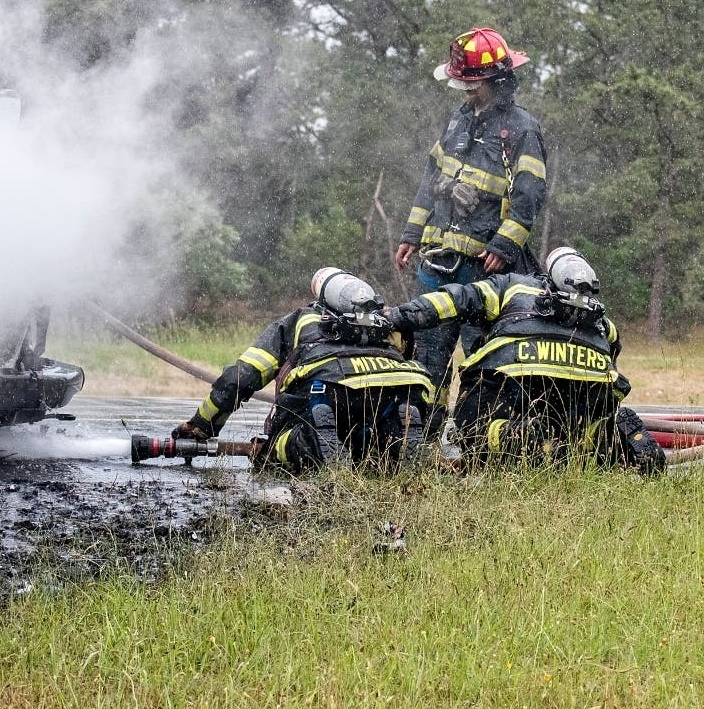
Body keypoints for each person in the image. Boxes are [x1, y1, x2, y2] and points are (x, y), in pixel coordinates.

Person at [385, 247, 664, 473]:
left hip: (515, 384)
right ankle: (610, 439)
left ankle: (509, 436)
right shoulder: (600, 318)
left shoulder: (513, 286)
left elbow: (456, 299)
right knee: (591, 418)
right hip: (581, 394)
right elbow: (613, 352)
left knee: (473, 424)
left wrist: (397, 316)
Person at [394, 27, 548, 438]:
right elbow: (431, 179)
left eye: (472, 83)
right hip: (436, 262)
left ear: (497, 80)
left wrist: (504, 244)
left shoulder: (521, 129)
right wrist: (412, 233)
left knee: (482, 357)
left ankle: (476, 442)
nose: (465, 91)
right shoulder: (458, 121)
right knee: (427, 355)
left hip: (483, 270)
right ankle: (421, 443)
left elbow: (530, 195)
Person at [172, 269, 434, 475]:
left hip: (330, 391)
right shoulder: (387, 320)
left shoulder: (301, 319)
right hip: (397, 389)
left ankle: (311, 437)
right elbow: (413, 357)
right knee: (380, 436)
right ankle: (396, 429)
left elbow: (240, 378)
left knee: (271, 454)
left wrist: (200, 428)